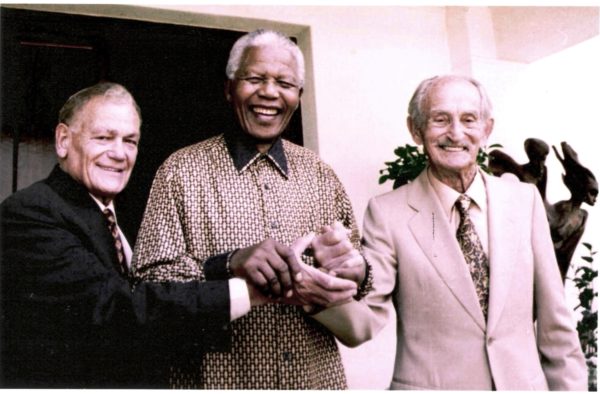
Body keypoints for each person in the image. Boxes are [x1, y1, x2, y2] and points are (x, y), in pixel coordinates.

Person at [132, 29, 378, 389]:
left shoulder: (321, 175)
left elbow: (361, 281)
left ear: (298, 96)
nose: (269, 92)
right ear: (229, 88)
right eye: (255, 78)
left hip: (314, 380)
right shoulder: (180, 171)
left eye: (284, 82)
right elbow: (148, 283)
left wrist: (355, 270)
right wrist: (227, 264)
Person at [0, 82, 265, 388]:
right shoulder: (29, 213)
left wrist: (227, 265)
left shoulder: (113, 216)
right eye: (103, 137)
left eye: (130, 141)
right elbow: (117, 309)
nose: (119, 153)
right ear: (63, 140)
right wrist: (250, 291)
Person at [361, 75, 587, 390]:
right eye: (440, 119)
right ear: (416, 129)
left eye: (469, 120)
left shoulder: (525, 202)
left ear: (486, 129)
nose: (456, 133)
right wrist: (317, 289)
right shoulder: (386, 213)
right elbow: (362, 318)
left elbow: (556, 325)